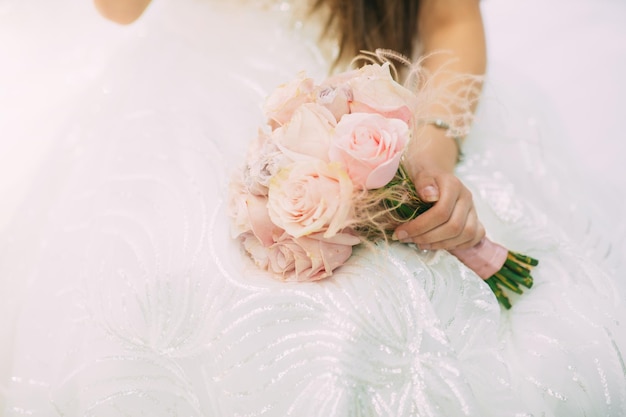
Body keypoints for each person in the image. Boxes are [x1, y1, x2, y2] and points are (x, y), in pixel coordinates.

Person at [0, 0, 624, 415]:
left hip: (361, 78)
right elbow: (118, 9)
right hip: (191, 91)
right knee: (167, 280)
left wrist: (431, 142)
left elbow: (448, 18)